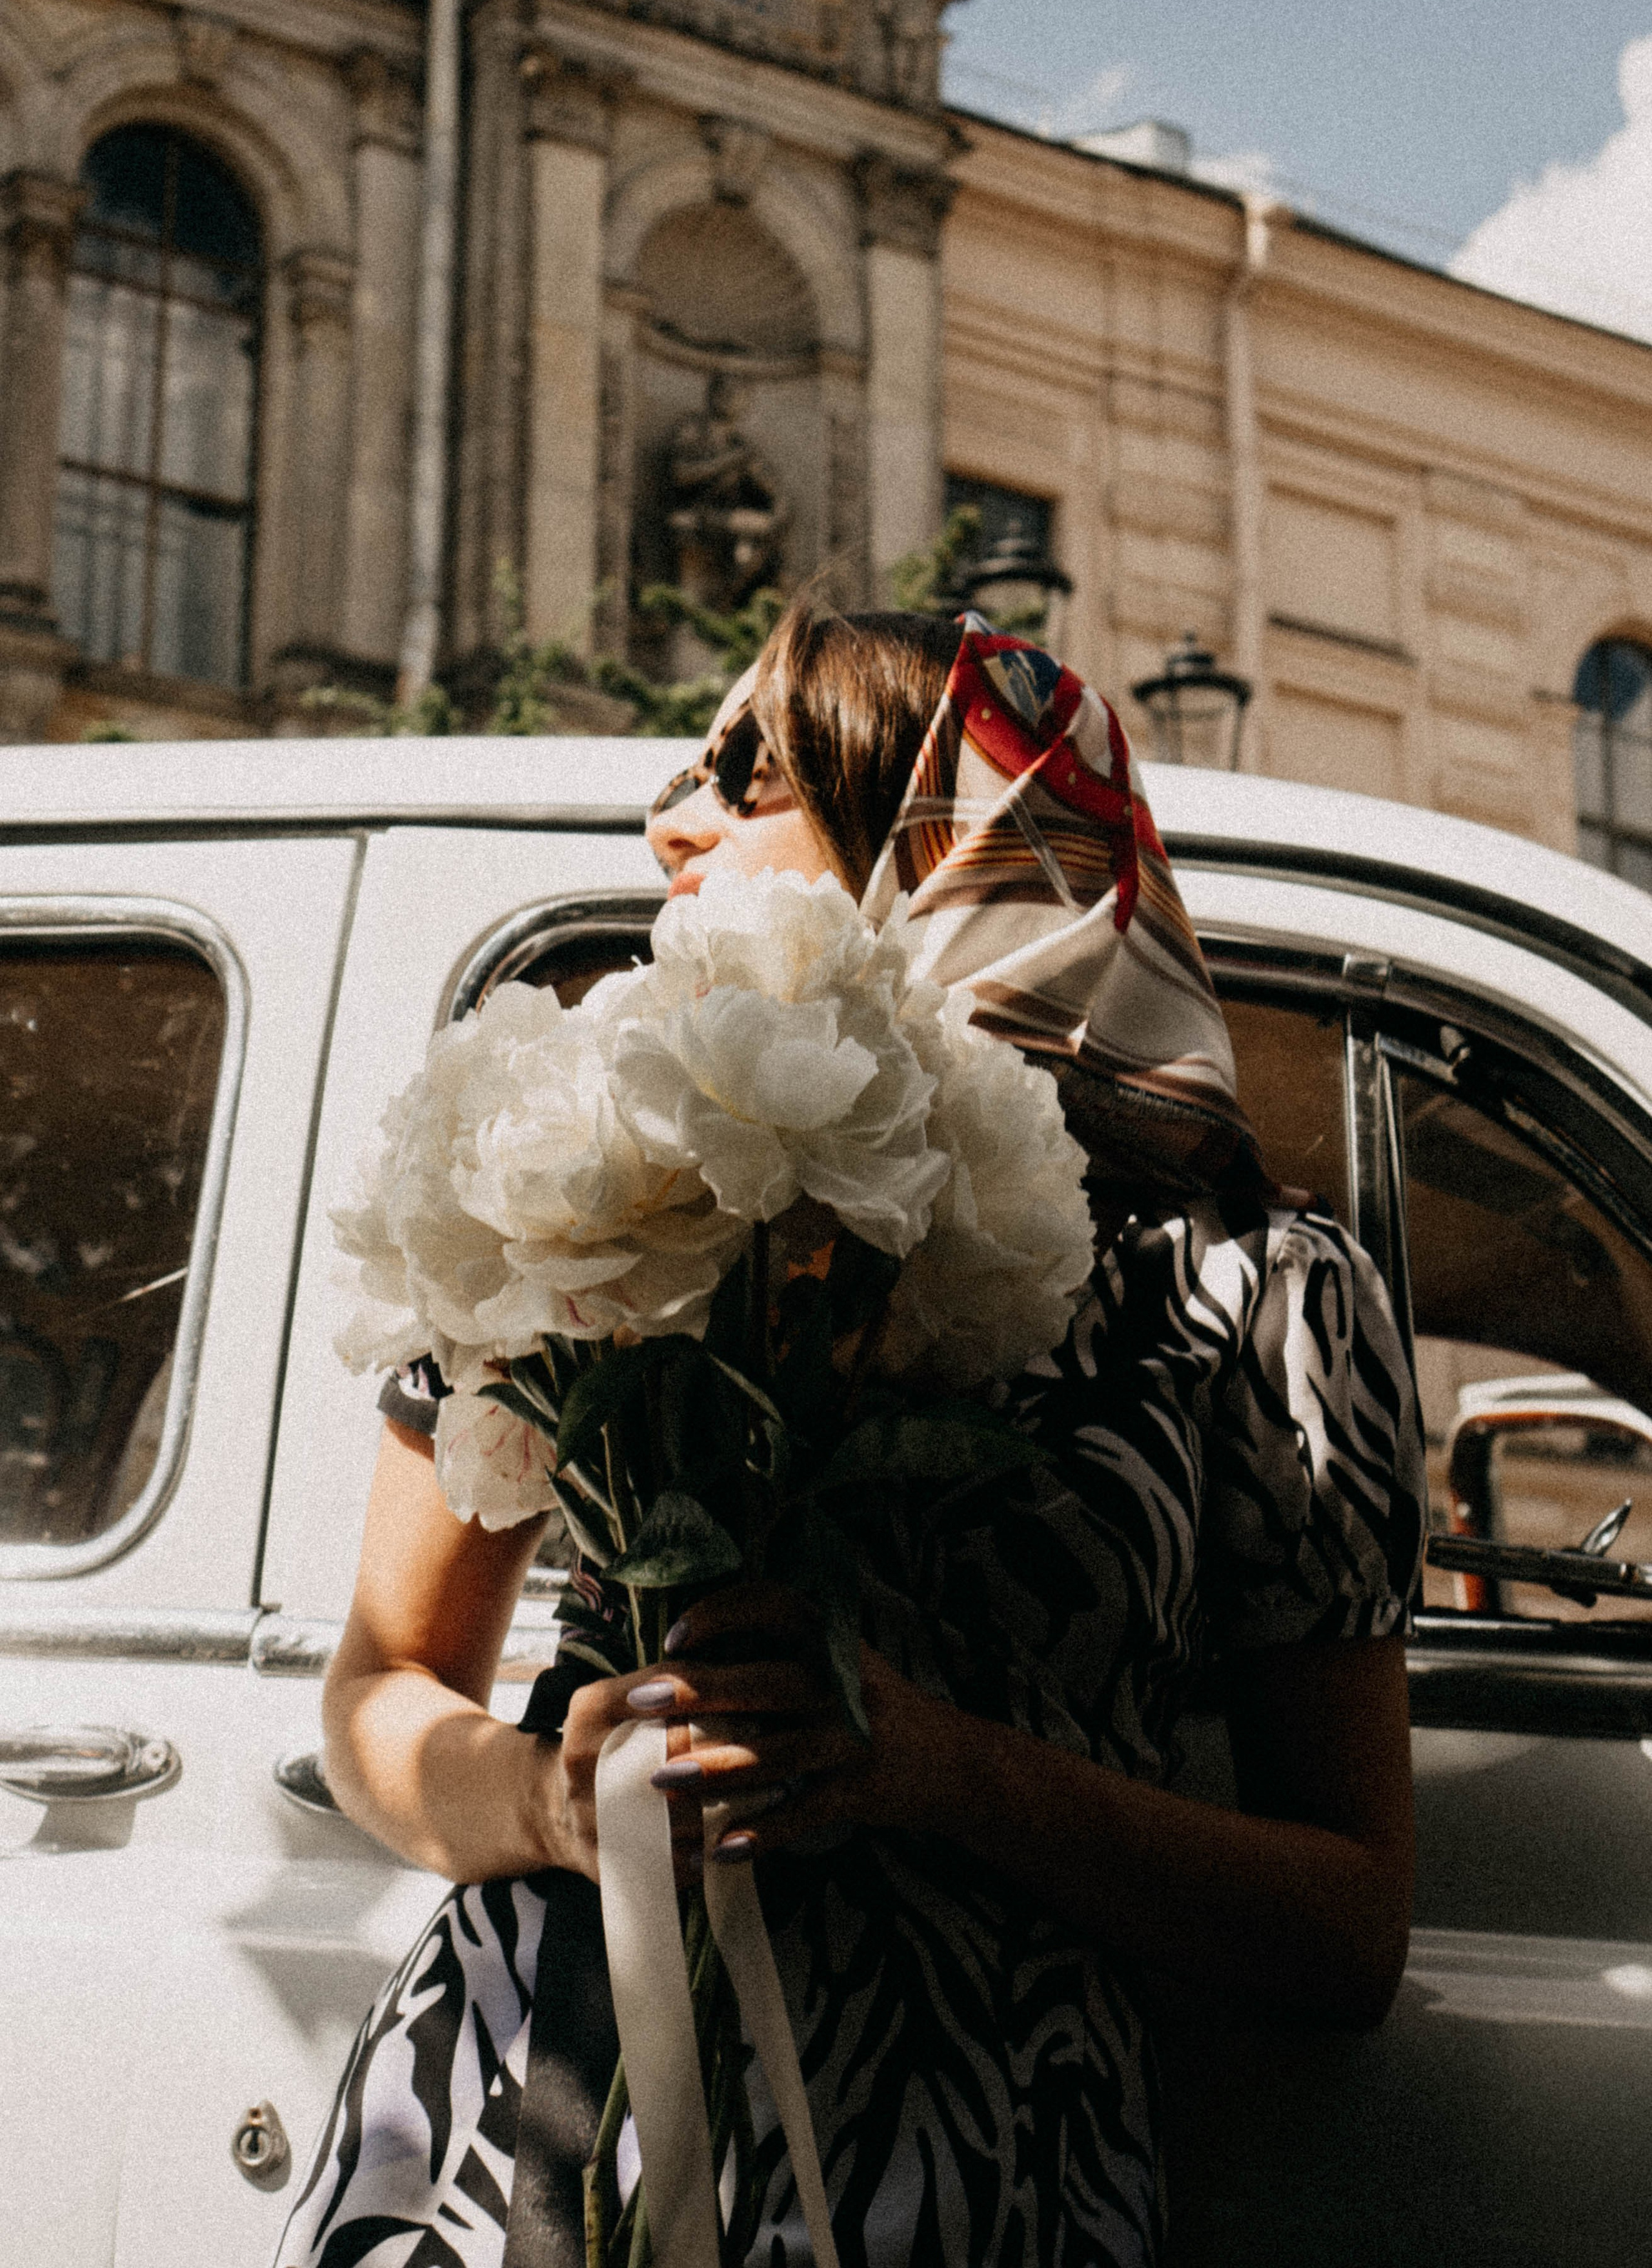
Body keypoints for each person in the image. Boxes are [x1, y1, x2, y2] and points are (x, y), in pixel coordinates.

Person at [277, 607, 1425, 2268]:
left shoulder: (1248, 1290)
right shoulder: (594, 1177)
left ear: (940, 837)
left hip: (973, 2169)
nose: (666, 819)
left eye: (744, 777)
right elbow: (381, 1686)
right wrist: (552, 1800)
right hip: (529, 2118)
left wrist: (942, 1769)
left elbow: (1347, 1929)